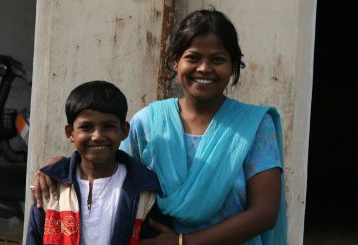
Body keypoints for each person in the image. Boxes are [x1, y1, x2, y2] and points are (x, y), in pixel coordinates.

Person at [33, 9, 287, 245]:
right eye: (193, 57)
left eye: (217, 59)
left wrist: (182, 242)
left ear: (233, 66)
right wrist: (60, 167)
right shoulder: (150, 122)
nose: (204, 68)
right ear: (176, 62)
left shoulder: (255, 126)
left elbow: (264, 214)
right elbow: (105, 165)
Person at [26, 81, 169, 245]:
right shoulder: (51, 187)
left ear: (123, 131)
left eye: (108, 126)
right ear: (70, 132)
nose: (97, 136)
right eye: (86, 127)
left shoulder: (145, 191)